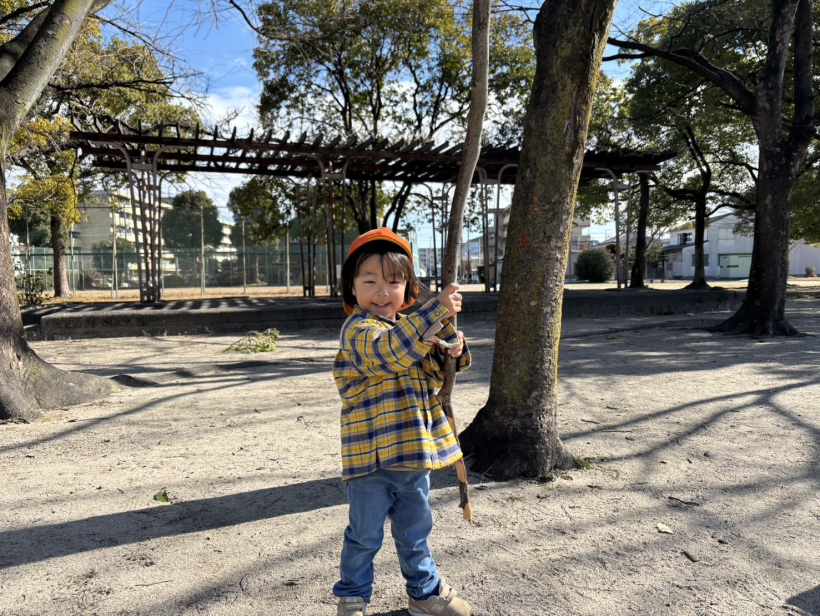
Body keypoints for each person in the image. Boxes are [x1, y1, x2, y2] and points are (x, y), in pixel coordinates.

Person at [333, 228, 472, 616]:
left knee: (415, 533)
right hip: (370, 462)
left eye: (393, 282)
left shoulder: (415, 330)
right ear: (352, 288)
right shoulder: (358, 331)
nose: (382, 292)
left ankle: (424, 593)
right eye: (369, 281)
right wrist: (435, 312)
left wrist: (451, 348)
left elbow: (435, 372)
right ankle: (353, 596)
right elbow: (390, 352)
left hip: (413, 455)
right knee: (364, 536)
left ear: (408, 288)